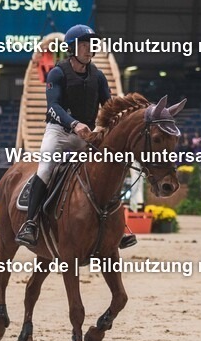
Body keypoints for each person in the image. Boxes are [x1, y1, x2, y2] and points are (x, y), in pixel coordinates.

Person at [16, 24, 137, 251]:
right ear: (72, 48)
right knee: (45, 169)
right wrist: (74, 124)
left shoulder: (98, 76)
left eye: (91, 44)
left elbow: (108, 107)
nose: (89, 48)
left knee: (106, 170)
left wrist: (109, 127)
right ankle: (30, 223)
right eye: (84, 44)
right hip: (60, 132)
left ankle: (118, 226)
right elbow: (53, 106)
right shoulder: (57, 73)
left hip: (87, 135)